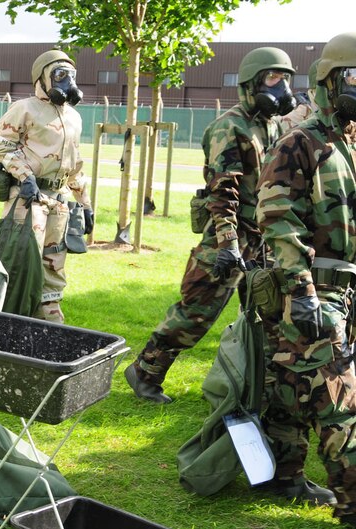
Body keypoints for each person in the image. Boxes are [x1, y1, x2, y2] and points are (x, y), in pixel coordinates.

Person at [125, 47, 297, 404]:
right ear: (251, 83)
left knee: (269, 316)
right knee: (197, 314)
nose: (281, 87)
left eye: (285, 79)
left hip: (262, 237)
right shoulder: (228, 126)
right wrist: (228, 244)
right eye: (273, 78)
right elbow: (224, 190)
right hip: (227, 237)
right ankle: (144, 372)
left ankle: (256, 387)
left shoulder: (274, 125)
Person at [256, 32, 356, 519]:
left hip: (347, 288)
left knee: (293, 390)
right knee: (342, 400)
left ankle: (284, 476)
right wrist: (303, 292)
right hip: (312, 290)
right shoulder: (302, 142)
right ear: (330, 81)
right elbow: (278, 217)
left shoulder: (349, 144)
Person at [0, 49, 92, 323]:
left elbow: (74, 164)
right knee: (21, 265)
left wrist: (85, 204)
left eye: (71, 75)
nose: (67, 81)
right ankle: (9, 321)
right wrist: (25, 176)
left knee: (53, 265)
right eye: (59, 75)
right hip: (27, 201)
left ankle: (50, 322)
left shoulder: (73, 117)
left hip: (59, 201)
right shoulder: (25, 108)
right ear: (42, 78)